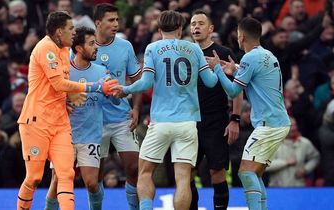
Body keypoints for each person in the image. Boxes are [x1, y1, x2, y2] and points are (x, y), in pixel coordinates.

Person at [112, 10, 221, 210]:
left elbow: (145, 84)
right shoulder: (194, 49)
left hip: (161, 122)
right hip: (188, 123)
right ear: (181, 29)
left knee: (145, 173)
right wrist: (219, 69)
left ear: (160, 29)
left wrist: (125, 89)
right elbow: (211, 82)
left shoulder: (153, 48)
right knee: (183, 179)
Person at [16, 11, 117, 210]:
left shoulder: (64, 50)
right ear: (59, 31)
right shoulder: (46, 48)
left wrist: (69, 96)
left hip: (61, 122)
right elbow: (58, 82)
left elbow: (58, 86)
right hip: (36, 121)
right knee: (34, 177)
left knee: (66, 173)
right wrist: (93, 86)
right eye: (71, 29)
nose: (74, 32)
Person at [207, 17, 291, 210]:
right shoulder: (268, 55)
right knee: (256, 173)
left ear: (241, 36)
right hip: (278, 122)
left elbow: (233, 92)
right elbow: (257, 78)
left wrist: (218, 70)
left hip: (268, 125)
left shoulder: (249, 57)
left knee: (245, 172)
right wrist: (233, 69)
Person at [43, 26, 110, 210]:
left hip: (91, 135)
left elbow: (113, 100)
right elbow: (48, 96)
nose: (96, 47)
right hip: (64, 135)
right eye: (91, 43)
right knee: (58, 181)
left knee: (92, 183)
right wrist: (63, 103)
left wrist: (113, 93)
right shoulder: (64, 71)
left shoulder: (102, 72)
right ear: (79, 48)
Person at [189, 10, 243, 210]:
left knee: (217, 171)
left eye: (201, 23)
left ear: (210, 29)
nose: (196, 27)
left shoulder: (223, 52)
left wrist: (235, 119)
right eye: (193, 23)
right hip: (189, 120)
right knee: (187, 171)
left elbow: (238, 89)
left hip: (216, 120)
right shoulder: (185, 53)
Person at [92, 4, 142, 210]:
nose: (116, 24)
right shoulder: (83, 45)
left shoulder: (125, 46)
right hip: (94, 120)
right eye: (110, 20)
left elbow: (138, 79)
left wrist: (137, 108)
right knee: (95, 175)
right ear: (97, 23)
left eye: (117, 20)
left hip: (122, 117)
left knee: (134, 167)